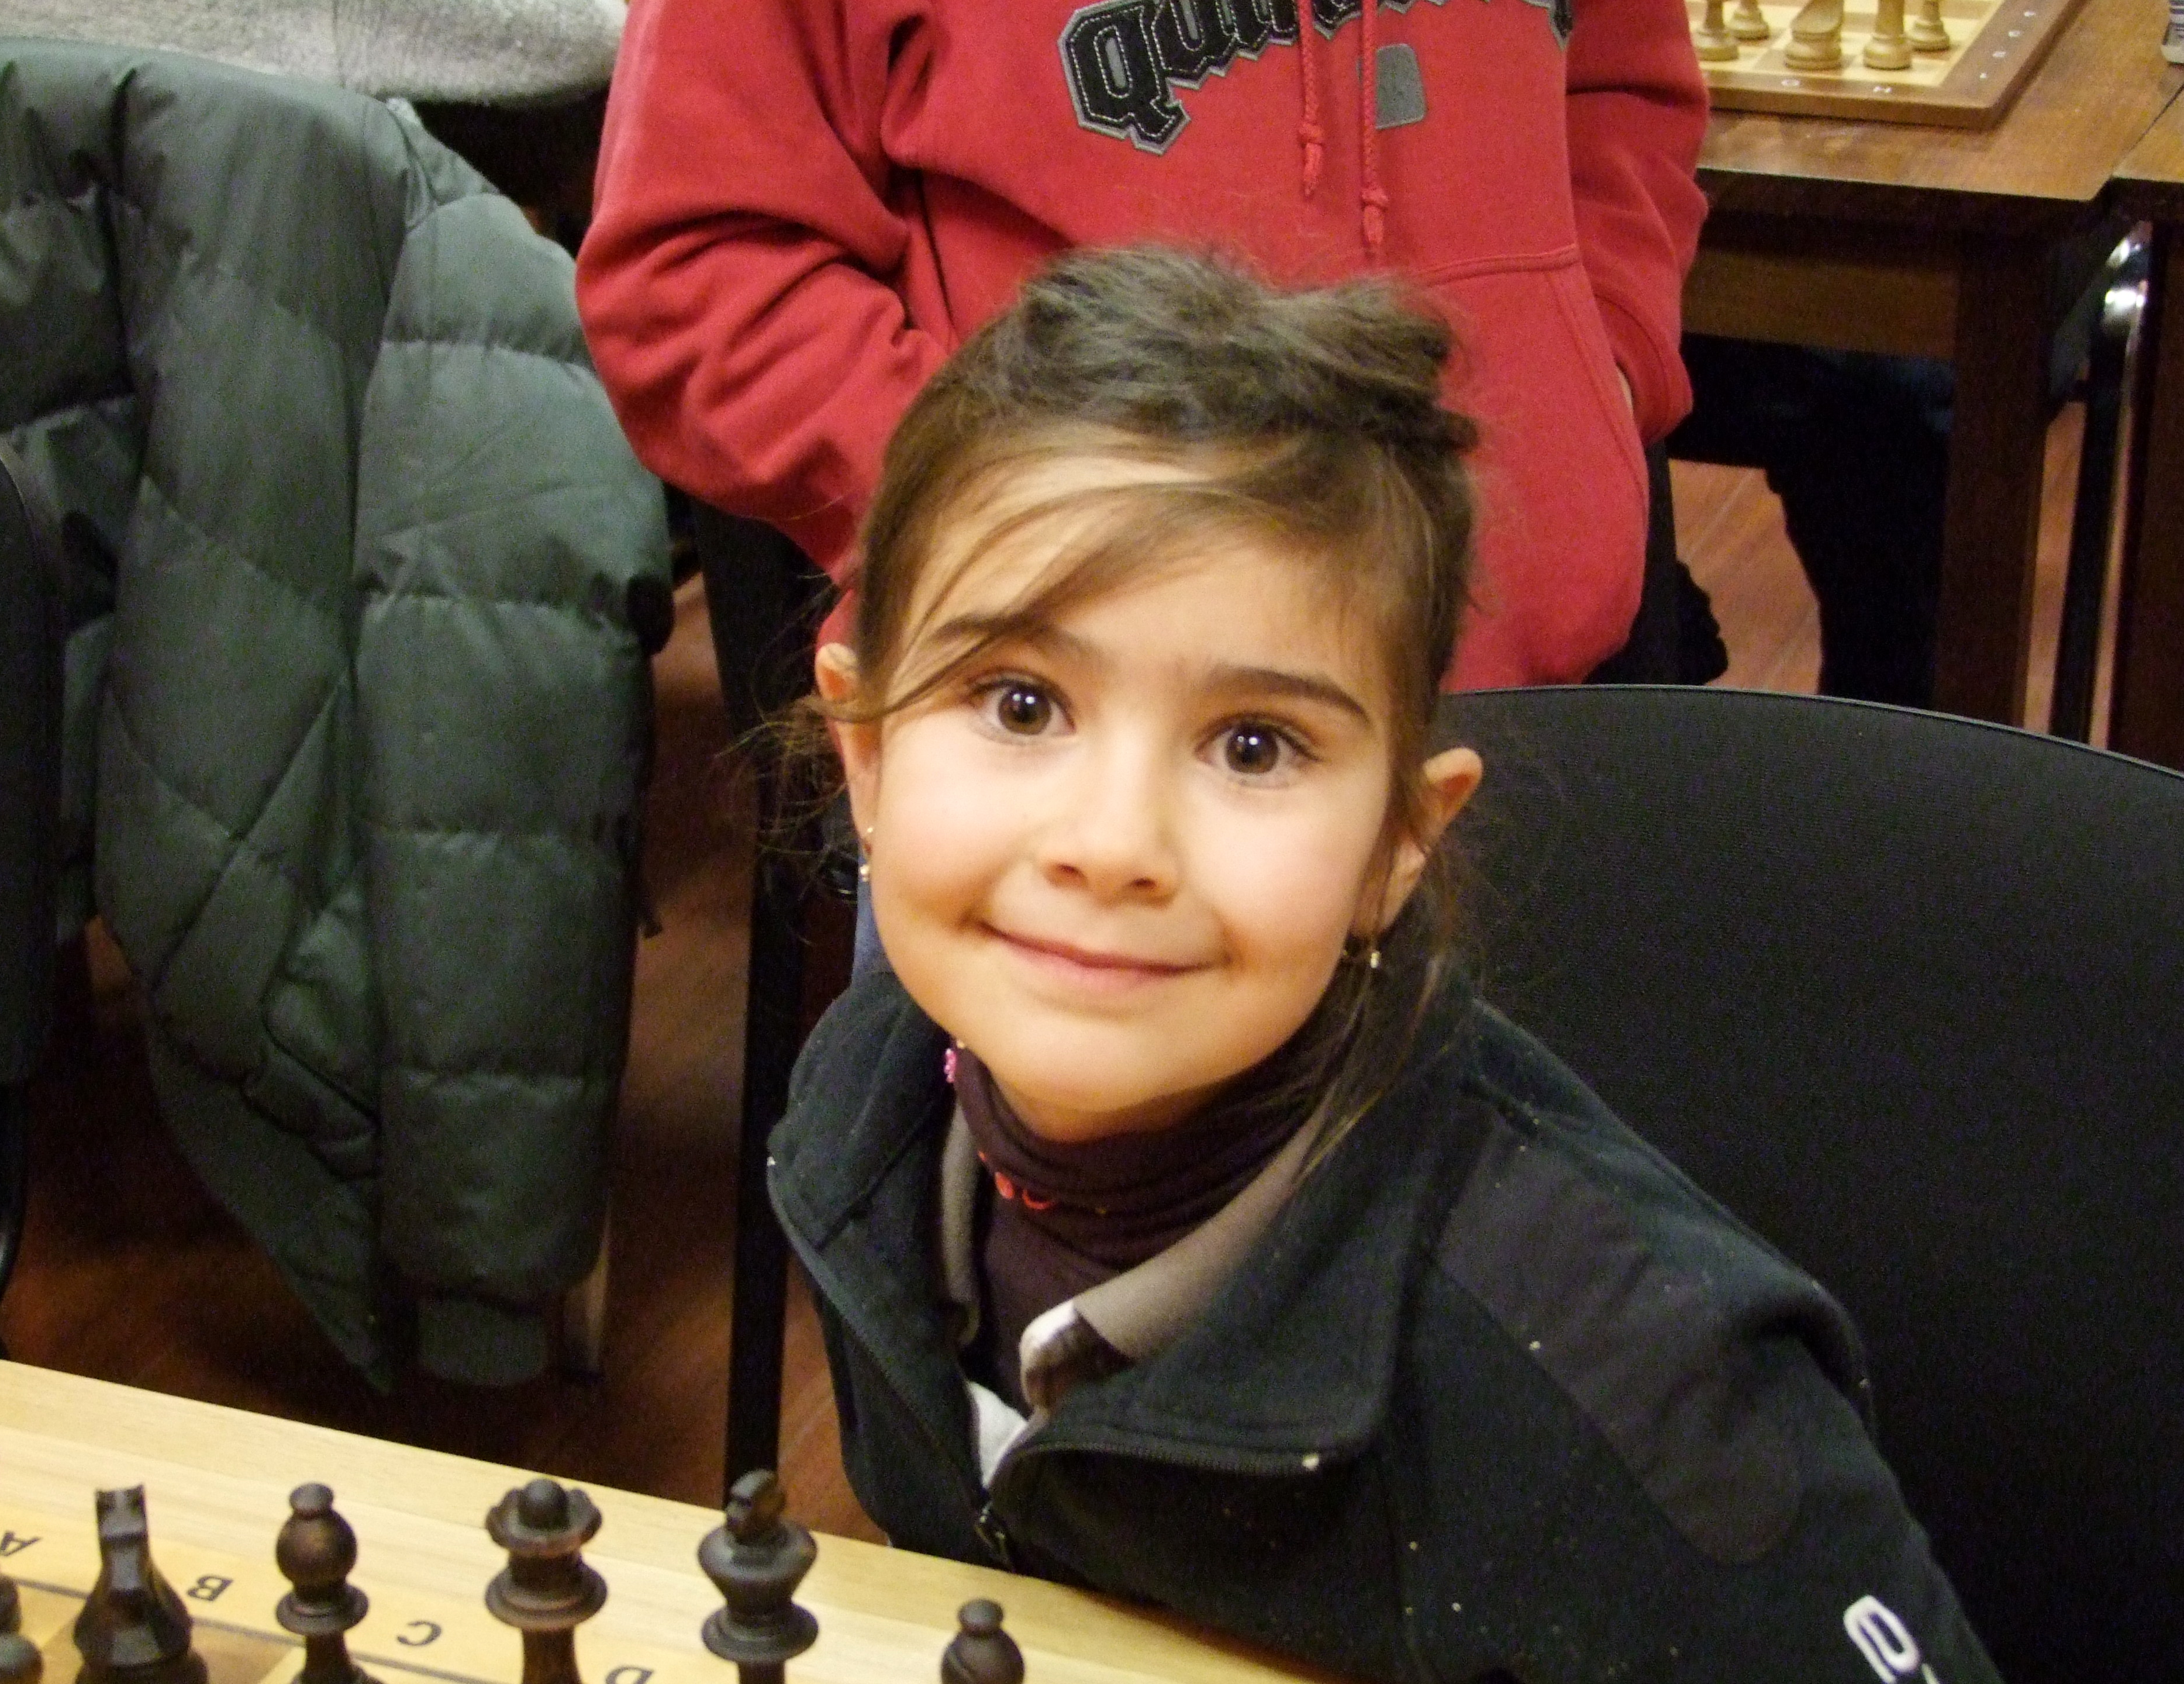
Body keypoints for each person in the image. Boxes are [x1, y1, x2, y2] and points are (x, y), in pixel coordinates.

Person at [766, 247, 1999, 1683]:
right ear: (866, 755)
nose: (1111, 846)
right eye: (1021, 704)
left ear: (1396, 847)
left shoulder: (1639, 1395)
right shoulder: (865, 1113)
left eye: (1254, 746)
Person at [576, 0, 1712, 690]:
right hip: (1087, 739)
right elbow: (697, 268)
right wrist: (1022, 524)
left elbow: (1624, 89)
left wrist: (1600, 375)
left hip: (1536, 700)